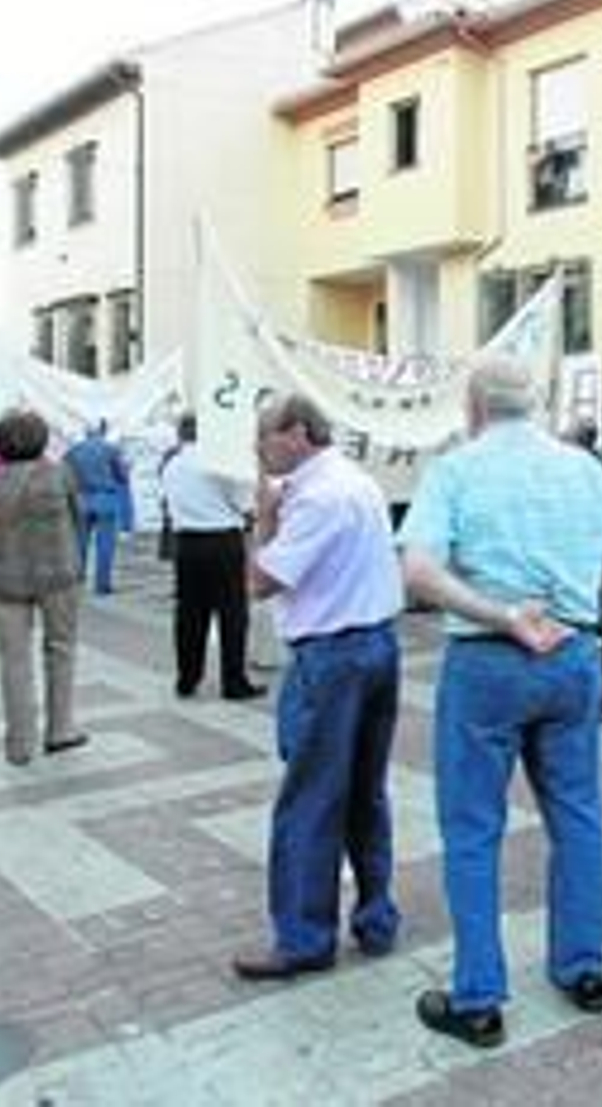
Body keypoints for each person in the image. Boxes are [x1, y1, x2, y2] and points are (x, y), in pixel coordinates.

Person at [398, 354, 602, 1048]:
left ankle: (478, 996)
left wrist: (500, 614)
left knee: (473, 827)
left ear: (473, 407)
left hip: (488, 659)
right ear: (535, 405)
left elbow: (418, 571)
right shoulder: (587, 470)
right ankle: (584, 967)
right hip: (573, 650)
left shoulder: (454, 470)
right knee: (578, 813)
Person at [232, 393, 405, 982]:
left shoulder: (316, 496)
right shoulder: (357, 482)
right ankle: (375, 916)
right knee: (365, 792)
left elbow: (261, 581)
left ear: (297, 433)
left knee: (309, 797)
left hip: (331, 654)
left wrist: (263, 521)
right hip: (376, 643)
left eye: (264, 437)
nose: (258, 451)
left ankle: (304, 937)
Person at [0, 409, 88, 767]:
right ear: (42, 439)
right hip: (60, 573)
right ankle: (60, 729)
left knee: (13, 661)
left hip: (6, 577)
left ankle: (20, 743)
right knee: (61, 650)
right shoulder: (61, 473)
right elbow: (79, 519)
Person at [160, 412, 262, 700]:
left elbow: (168, 502)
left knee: (189, 614)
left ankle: (187, 678)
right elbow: (244, 503)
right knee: (232, 613)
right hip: (222, 541)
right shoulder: (220, 463)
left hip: (186, 543)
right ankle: (234, 681)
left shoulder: (172, 465)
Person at [64, 421, 129, 596]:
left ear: (86, 432)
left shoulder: (73, 451)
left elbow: (65, 476)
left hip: (82, 499)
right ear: (103, 430)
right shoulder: (111, 449)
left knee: (79, 544)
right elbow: (122, 476)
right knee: (105, 545)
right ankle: (102, 585)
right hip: (105, 499)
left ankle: (77, 581)